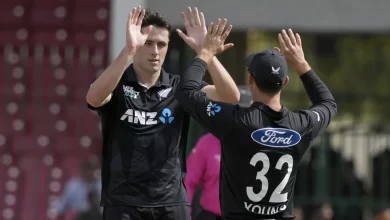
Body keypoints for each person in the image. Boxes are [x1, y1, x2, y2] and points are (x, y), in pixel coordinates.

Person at [85, 5, 240, 220]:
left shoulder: (179, 87)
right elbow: (93, 98)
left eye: (161, 44)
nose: (155, 51)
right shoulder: (118, 84)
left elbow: (231, 97)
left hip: (170, 203)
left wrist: (207, 54)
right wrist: (128, 51)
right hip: (123, 203)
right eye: (148, 43)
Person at [174, 23, 337, 220]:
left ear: (250, 79)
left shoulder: (235, 120)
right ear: (285, 82)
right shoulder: (300, 125)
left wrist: (206, 53)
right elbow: (327, 103)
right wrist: (301, 65)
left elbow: (186, 91)